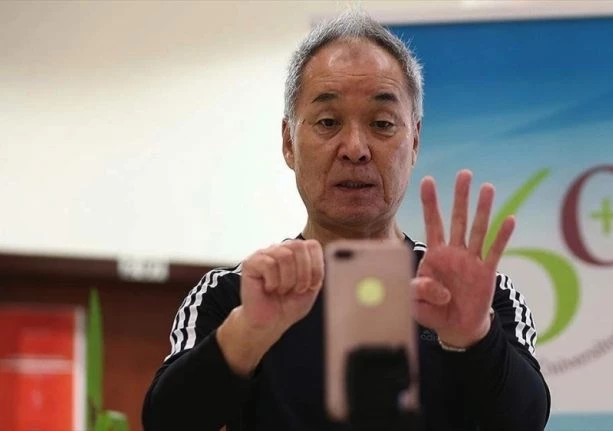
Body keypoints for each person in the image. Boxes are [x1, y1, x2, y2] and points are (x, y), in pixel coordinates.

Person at [142, 8, 550, 431]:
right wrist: (250, 331)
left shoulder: (476, 295)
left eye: (382, 124)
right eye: (328, 122)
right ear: (288, 142)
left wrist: (473, 335)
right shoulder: (233, 293)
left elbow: (526, 420)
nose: (355, 148)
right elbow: (166, 421)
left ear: (414, 141)